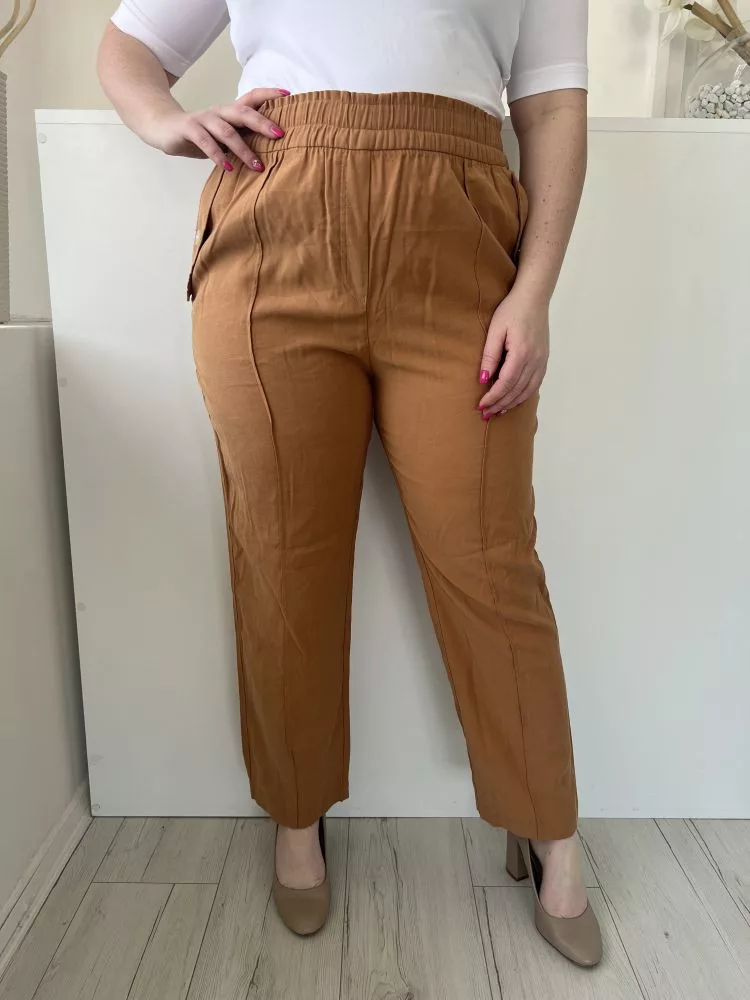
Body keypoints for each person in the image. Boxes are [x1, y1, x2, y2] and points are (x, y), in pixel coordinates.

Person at [98, 0, 601, 966]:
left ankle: (548, 828)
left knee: (489, 560)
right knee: (282, 555)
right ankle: (297, 818)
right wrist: (166, 123)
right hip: (274, 229)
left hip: (460, 248)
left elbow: (550, 110)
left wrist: (534, 294)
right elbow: (127, 47)